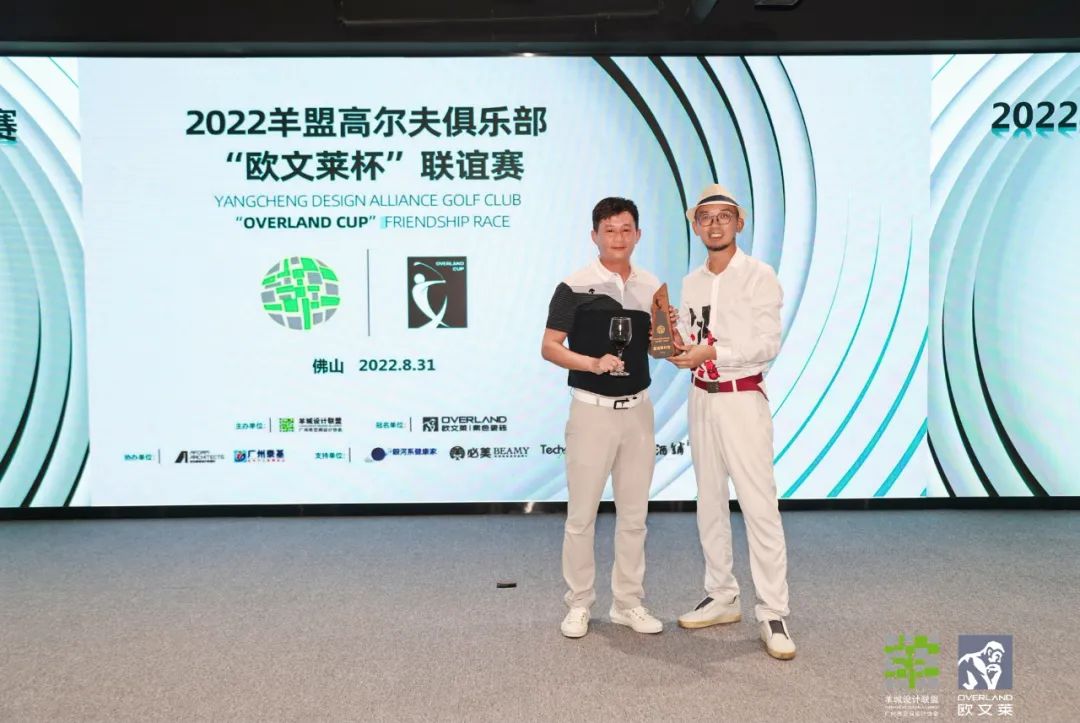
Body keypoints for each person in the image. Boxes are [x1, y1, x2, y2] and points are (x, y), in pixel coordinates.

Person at [666, 184, 796, 660]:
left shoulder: (760, 275)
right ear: (696, 226)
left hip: (742, 398)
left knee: (759, 505)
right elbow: (690, 335)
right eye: (706, 218)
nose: (714, 225)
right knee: (709, 500)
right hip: (700, 397)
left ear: (740, 223)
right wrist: (674, 339)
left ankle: (773, 611)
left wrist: (713, 353)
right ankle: (721, 594)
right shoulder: (691, 282)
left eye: (724, 216)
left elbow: (767, 344)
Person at [541, 197, 663, 639]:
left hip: (639, 412)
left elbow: (658, 347)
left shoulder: (653, 287)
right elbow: (550, 346)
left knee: (634, 516)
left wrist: (676, 340)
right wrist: (592, 364)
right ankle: (579, 603)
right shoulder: (573, 285)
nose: (618, 238)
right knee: (582, 516)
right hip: (591, 411)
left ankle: (628, 603)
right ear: (595, 235)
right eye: (609, 230)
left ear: (638, 234)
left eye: (626, 229)